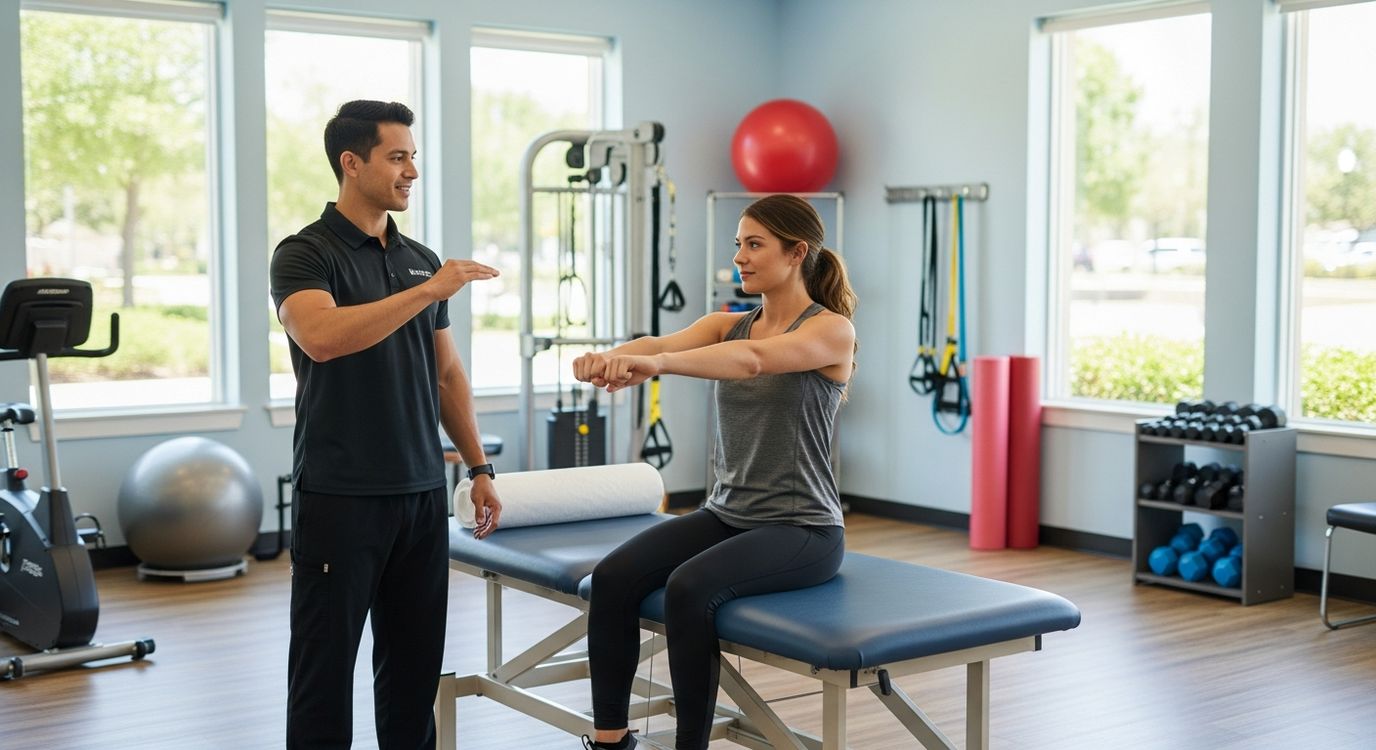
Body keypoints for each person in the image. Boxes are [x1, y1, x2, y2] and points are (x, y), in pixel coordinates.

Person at [572, 194, 858, 750]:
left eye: (755, 245)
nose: (739, 257)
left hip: (803, 528)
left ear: (797, 252)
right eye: (738, 244)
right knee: (611, 578)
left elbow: (752, 361)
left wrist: (657, 365)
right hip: (727, 514)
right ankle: (610, 740)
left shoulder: (830, 331)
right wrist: (610, 358)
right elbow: (658, 343)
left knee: (689, 587)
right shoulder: (726, 324)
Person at [270, 100, 503, 750]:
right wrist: (427, 291)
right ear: (352, 163)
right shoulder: (304, 253)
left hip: (421, 494)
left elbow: (447, 375)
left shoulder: (419, 258)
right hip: (341, 495)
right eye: (398, 157)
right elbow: (321, 337)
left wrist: (479, 467)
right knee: (322, 677)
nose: (412, 172)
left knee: (412, 676)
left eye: (413, 157)